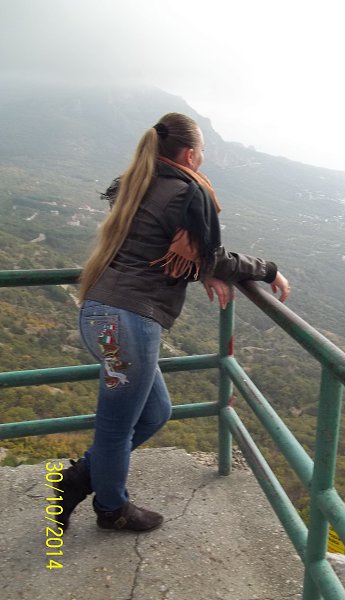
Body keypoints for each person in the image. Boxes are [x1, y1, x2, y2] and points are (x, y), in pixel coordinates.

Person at [60, 112, 290, 532]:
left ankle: (80, 478)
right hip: (128, 324)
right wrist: (267, 269)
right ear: (188, 154)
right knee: (115, 428)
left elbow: (165, 245)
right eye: (202, 151)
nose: (203, 158)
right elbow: (212, 255)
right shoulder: (185, 193)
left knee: (156, 411)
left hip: (100, 314)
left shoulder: (136, 183)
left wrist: (202, 267)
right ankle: (111, 508)